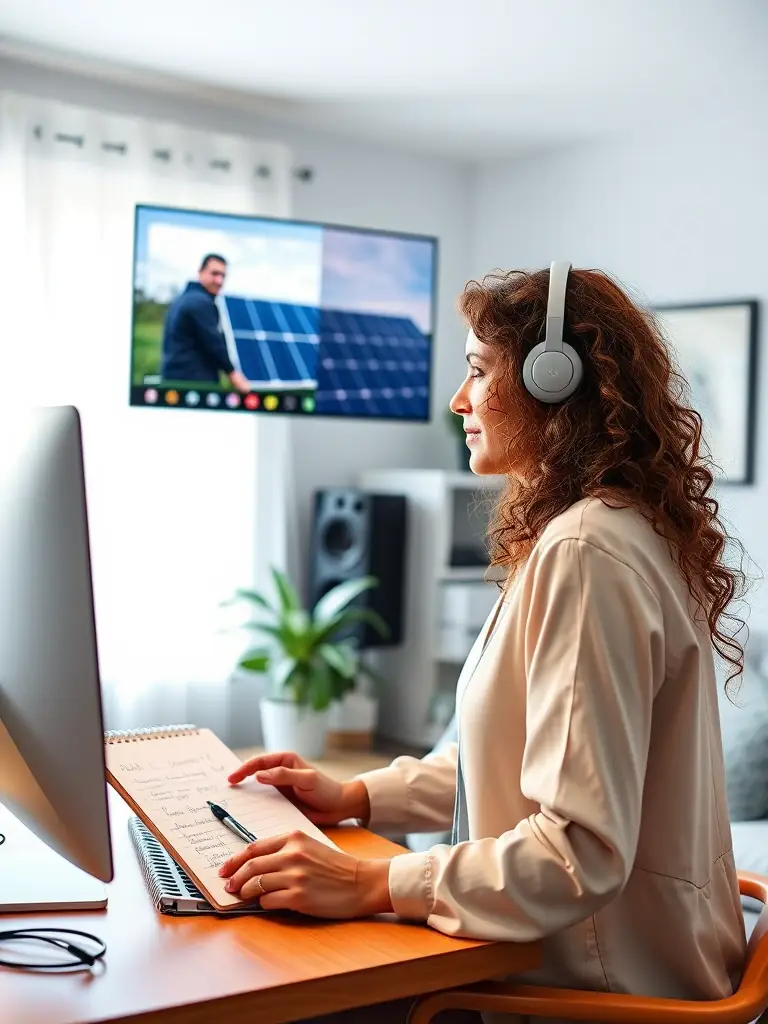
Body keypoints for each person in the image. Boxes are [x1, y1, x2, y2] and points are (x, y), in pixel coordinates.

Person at [219, 265, 749, 1023]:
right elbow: (514, 756)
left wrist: (372, 883)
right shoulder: (607, 529)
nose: (457, 401)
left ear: (552, 380)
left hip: (601, 996)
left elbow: (578, 851)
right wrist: (360, 796)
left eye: (476, 371)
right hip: (606, 969)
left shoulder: (587, 551)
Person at [161, 253, 251, 393]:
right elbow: (214, 344)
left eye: (223, 276)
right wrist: (234, 375)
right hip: (193, 384)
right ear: (201, 272)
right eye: (214, 274)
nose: (219, 281)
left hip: (173, 379)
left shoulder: (183, 298)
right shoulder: (200, 302)